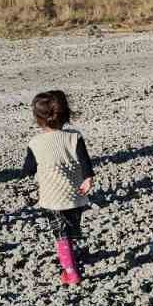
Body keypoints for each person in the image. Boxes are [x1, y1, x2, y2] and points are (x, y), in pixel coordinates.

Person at [20, 90, 95, 285]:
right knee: (70, 227)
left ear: (38, 118)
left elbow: (28, 169)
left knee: (60, 234)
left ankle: (70, 271)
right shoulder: (74, 137)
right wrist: (88, 179)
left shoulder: (35, 143)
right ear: (65, 114)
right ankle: (70, 252)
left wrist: (35, 172)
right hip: (75, 194)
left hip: (52, 197)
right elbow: (85, 162)